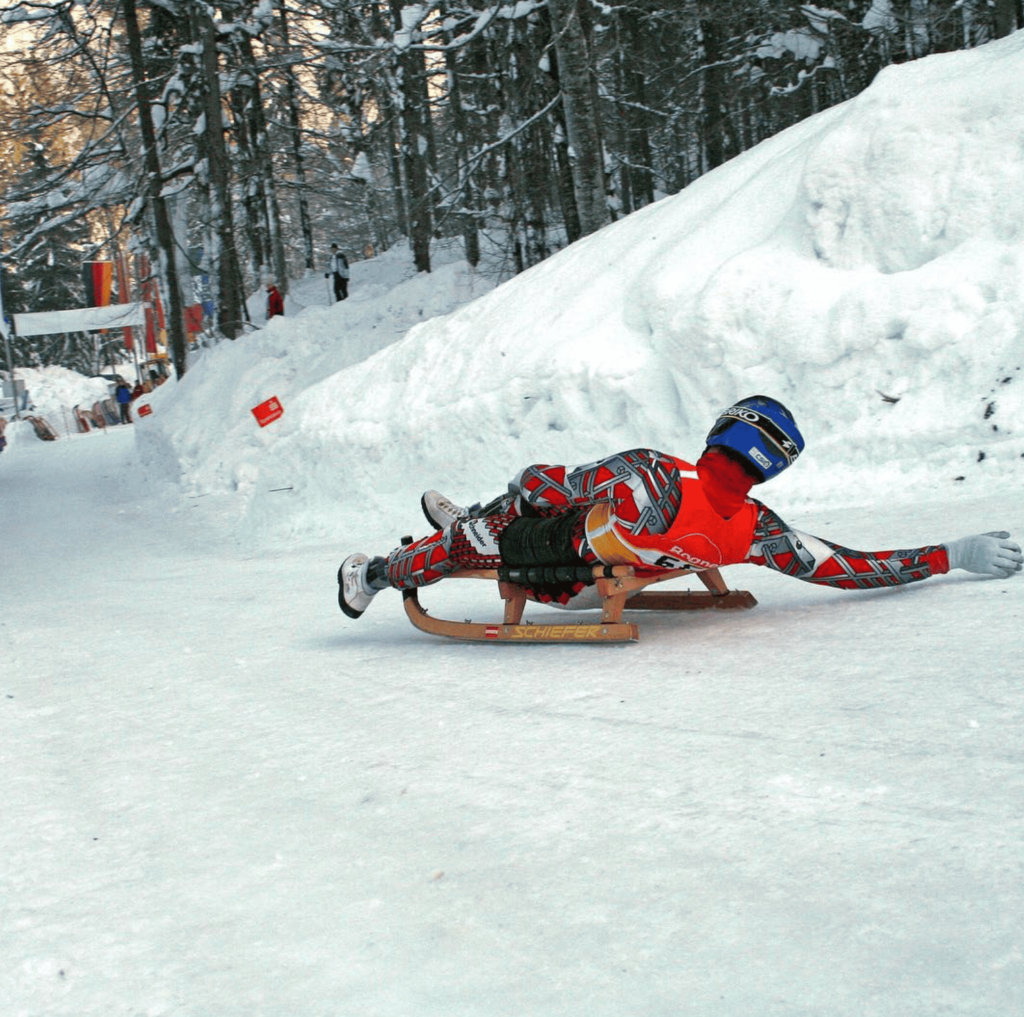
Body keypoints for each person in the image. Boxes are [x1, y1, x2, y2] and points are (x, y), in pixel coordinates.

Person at [337, 395, 1023, 619]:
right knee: (512, 519)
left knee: (486, 531)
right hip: (583, 576)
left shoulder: (648, 473)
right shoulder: (758, 530)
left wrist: (517, 491)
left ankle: (369, 574)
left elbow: (543, 485)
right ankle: (463, 522)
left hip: (547, 562)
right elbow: (848, 566)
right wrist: (950, 555)